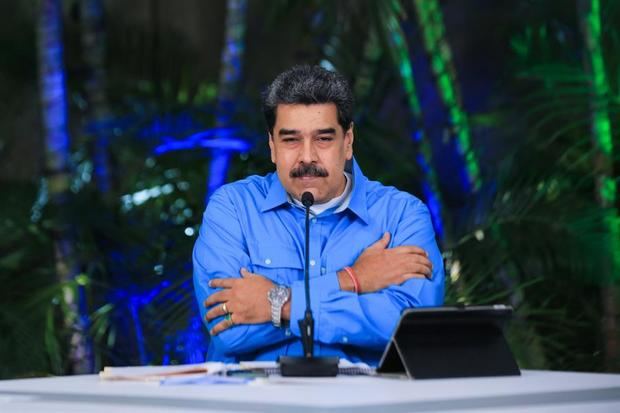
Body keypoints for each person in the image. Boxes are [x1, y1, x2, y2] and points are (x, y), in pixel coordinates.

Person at [193, 65, 444, 365]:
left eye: (323, 139)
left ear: (347, 141)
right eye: (290, 140)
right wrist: (353, 279)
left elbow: (410, 328)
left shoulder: (402, 215)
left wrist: (279, 304)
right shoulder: (232, 208)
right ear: (272, 145)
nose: (307, 157)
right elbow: (228, 329)